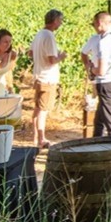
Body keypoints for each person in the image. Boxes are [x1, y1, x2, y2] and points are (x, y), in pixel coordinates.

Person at [28, 9, 66, 148]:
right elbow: (51, 60)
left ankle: (35, 137)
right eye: (60, 20)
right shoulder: (49, 36)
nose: (60, 23)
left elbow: (30, 53)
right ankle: (42, 139)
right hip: (47, 78)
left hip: (38, 76)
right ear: (55, 20)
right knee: (43, 110)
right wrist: (61, 56)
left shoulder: (39, 34)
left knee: (38, 108)